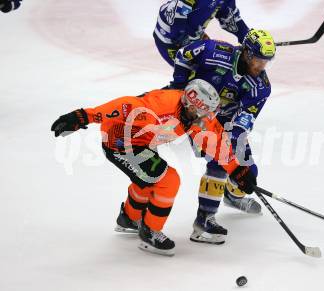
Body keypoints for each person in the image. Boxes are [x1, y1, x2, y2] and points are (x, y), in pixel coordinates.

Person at [51, 79, 257, 256]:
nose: (208, 117)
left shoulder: (197, 115)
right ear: (192, 106)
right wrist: (82, 116)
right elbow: (125, 105)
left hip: (142, 142)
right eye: (205, 112)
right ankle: (150, 232)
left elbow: (215, 141)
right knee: (168, 180)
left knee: (148, 180)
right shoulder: (160, 107)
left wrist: (237, 170)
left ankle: (129, 218)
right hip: (120, 142)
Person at [169, 29, 276, 244]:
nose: (261, 67)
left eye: (266, 62)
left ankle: (231, 196)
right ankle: (204, 221)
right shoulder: (215, 51)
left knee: (248, 172)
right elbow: (184, 55)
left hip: (225, 123)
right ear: (246, 53)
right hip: (195, 113)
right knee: (219, 163)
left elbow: (246, 118)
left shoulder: (260, 87)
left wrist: (232, 140)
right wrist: (180, 85)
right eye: (258, 60)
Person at [154, 0, 249, 66]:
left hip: (192, 35)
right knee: (198, 78)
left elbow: (229, 18)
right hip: (170, 40)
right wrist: (197, 44)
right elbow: (176, 21)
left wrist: (249, 38)